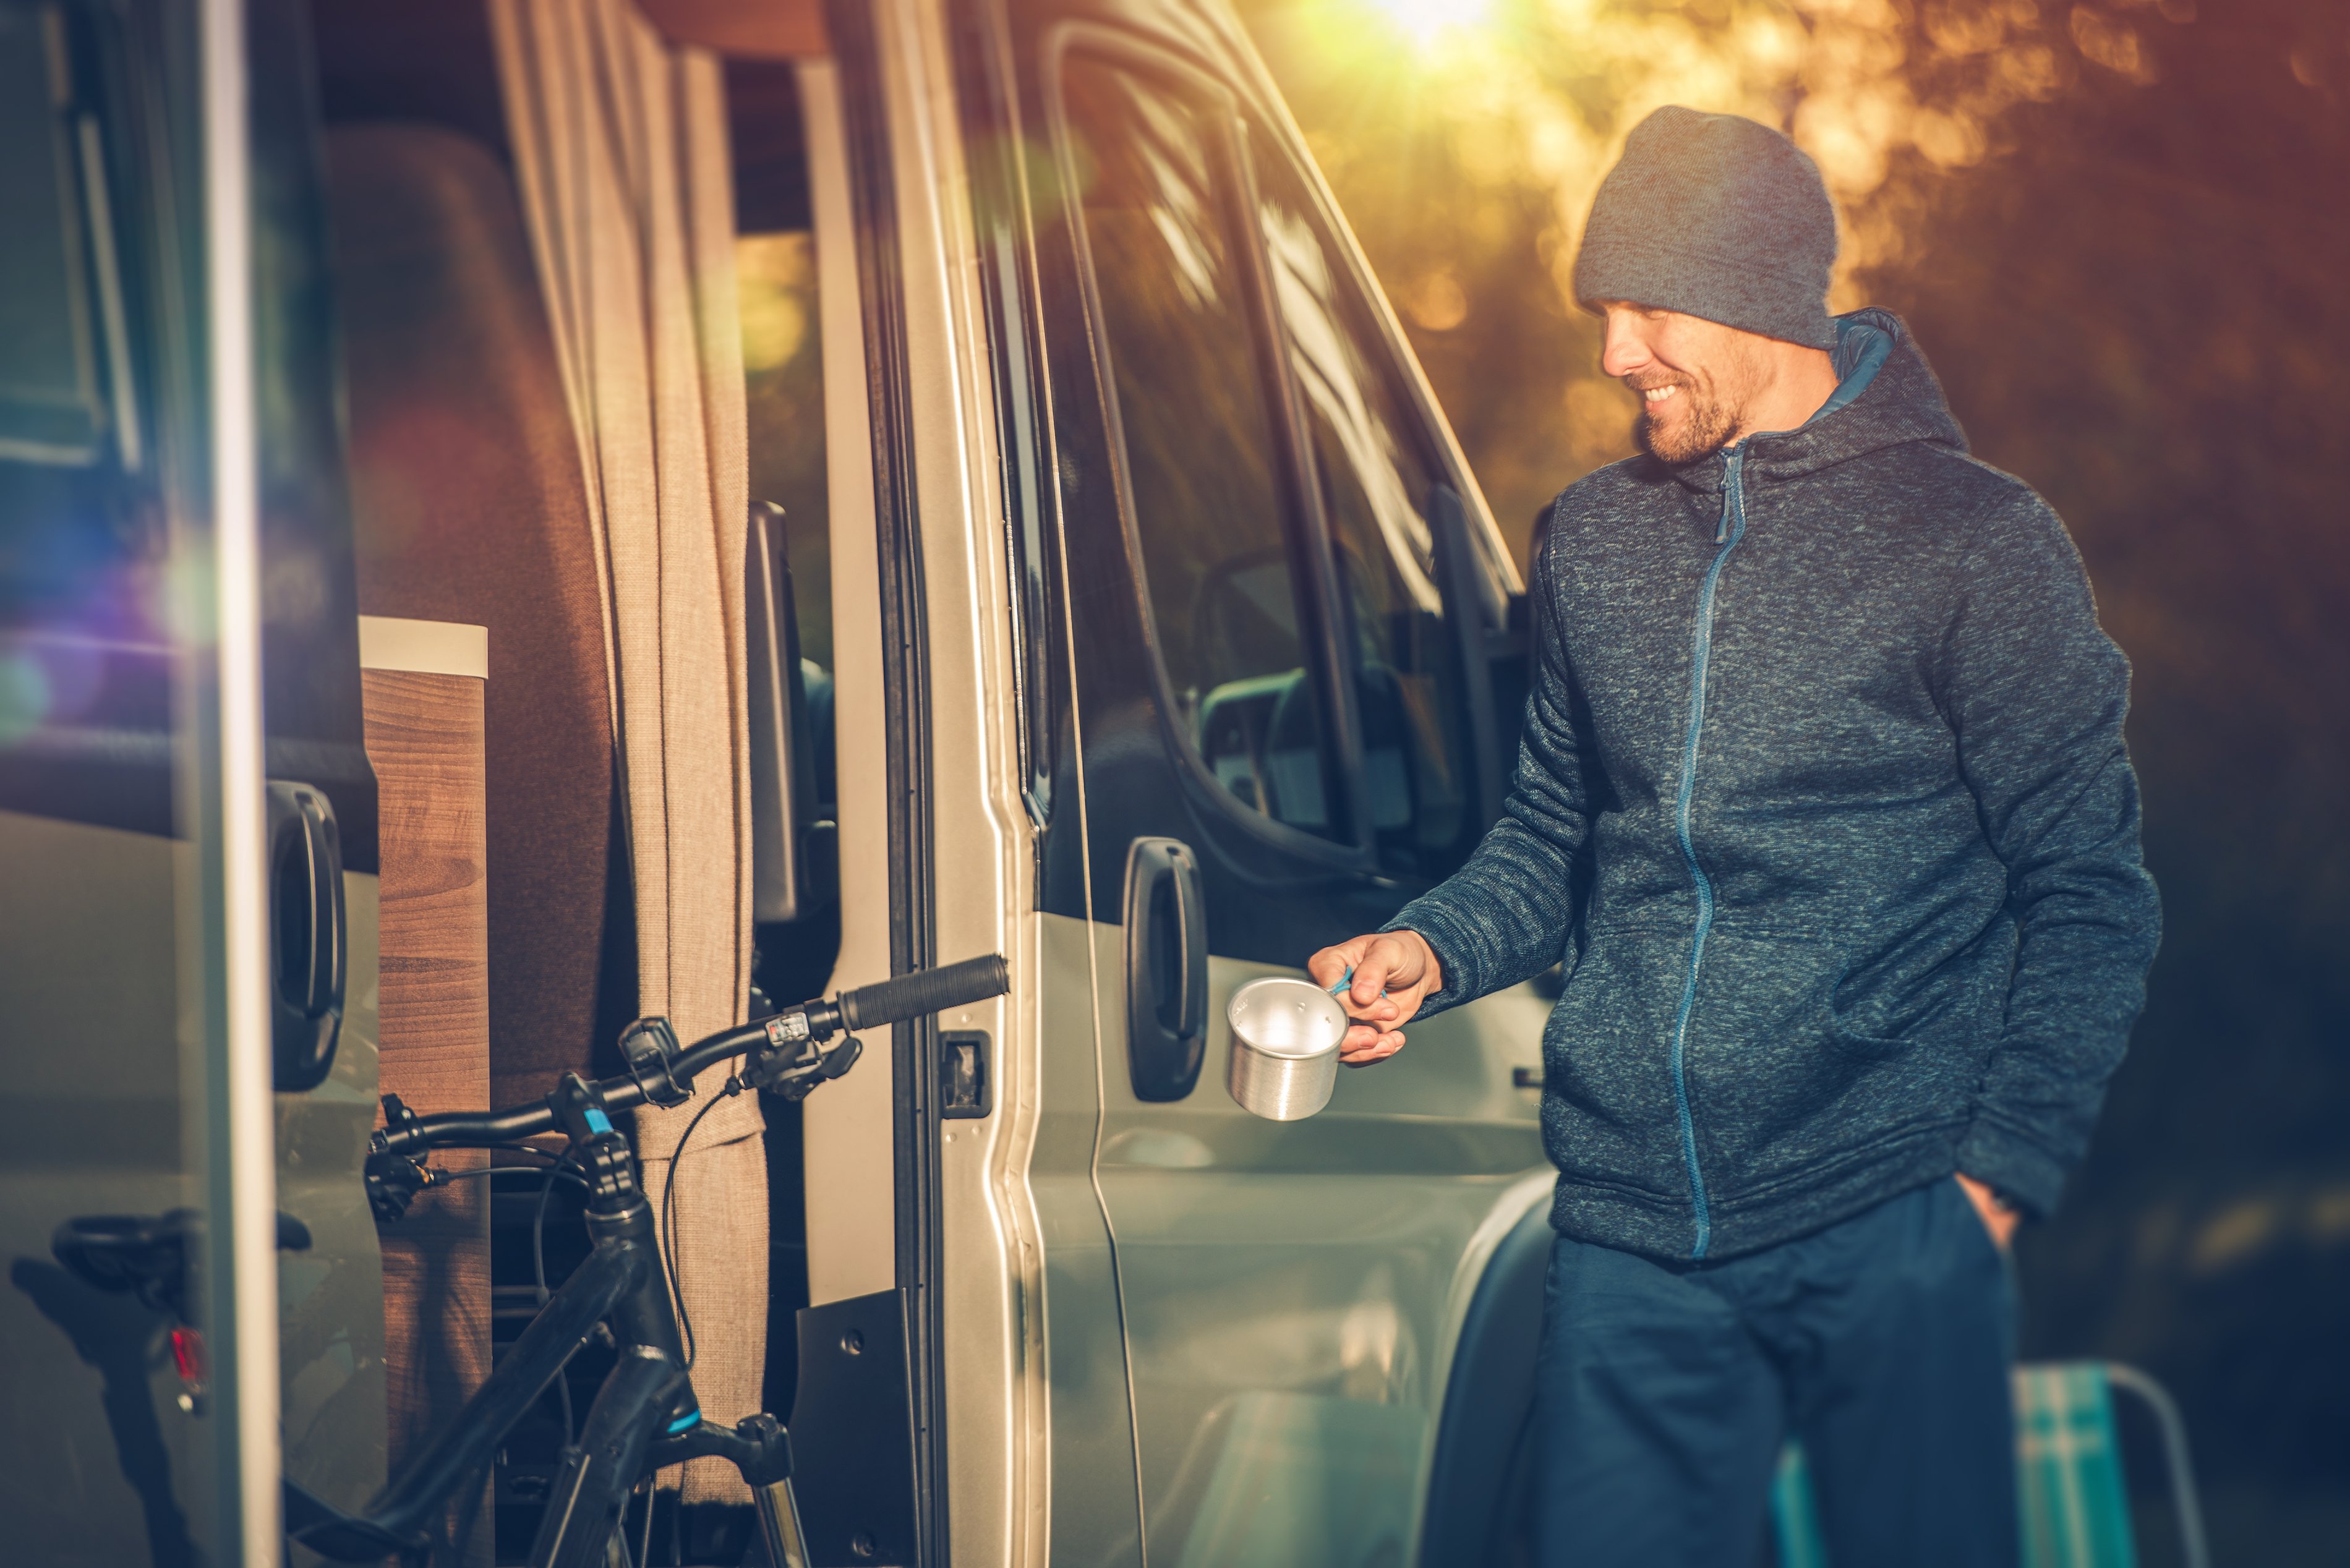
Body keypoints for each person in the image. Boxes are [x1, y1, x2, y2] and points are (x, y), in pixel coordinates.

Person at [1310, 105, 2160, 1567]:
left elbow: (2090, 888)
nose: (1614, 354)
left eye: (1647, 308)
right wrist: (1431, 943)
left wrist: (1996, 1176)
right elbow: (1548, 835)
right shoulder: (1590, 537)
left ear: (1765, 294)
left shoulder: (1973, 540)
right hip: (1631, 1232)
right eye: (1602, 311)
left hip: (1889, 1205)